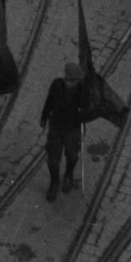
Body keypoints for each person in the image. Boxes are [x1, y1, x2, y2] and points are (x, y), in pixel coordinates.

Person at [40, 62, 86, 202]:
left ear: (77, 81)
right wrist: (44, 116)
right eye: (67, 78)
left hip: (73, 129)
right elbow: (49, 101)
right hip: (56, 127)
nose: (68, 82)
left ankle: (68, 174)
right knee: (53, 160)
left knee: (72, 156)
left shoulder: (83, 92)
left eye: (72, 80)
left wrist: (84, 111)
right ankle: (54, 183)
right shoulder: (56, 85)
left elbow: (89, 111)